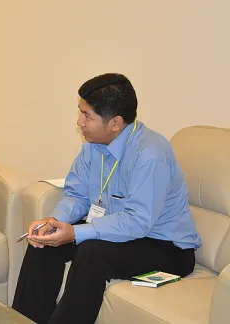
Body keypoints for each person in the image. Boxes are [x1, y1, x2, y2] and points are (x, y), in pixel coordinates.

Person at [12, 73, 201, 324]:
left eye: (87, 116)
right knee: (46, 241)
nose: (79, 122)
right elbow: (77, 194)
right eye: (80, 112)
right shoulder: (93, 143)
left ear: (115, 122)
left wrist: (76, 233)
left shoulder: (150, 155)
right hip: (119, 232)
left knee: (92, 253)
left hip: (165, 247)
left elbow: (137, 223)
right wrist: (54, 220)